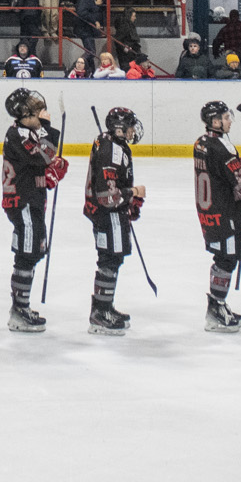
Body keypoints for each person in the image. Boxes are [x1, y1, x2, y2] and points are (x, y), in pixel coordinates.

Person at [191, 101, 241, 333]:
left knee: (224, 257)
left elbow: (224, 171)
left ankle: (218, 305)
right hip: (225, 211)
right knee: (226, 259)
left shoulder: (202, 142)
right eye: (226, 117)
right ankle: (216, 309)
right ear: (215, 121)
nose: (229, 121)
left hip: (210, 211)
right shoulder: (221, 147)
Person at [0, 89, 65, 332]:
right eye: (35, 109)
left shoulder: (28, 131)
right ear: (23, 115)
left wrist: (49, 175)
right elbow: (42, 156)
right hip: (22, 201)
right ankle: (19, 311)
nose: (40, 112)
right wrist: (49, 128)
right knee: (27, 253)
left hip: (31, 198)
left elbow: (41, 164)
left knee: (35, 248)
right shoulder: (17, 134)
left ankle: (22, 306)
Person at [80, 108, 146, 336]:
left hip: (109, 213)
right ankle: (99, 315)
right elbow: (107, 196)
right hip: (107, 214)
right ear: (119, 128)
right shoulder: (112, 150)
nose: (132, 130)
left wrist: (127, 201)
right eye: (129, 126)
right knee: (109, 259)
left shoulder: (107, 142)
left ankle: (105, 307)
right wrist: (132, 193)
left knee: (113, 258)